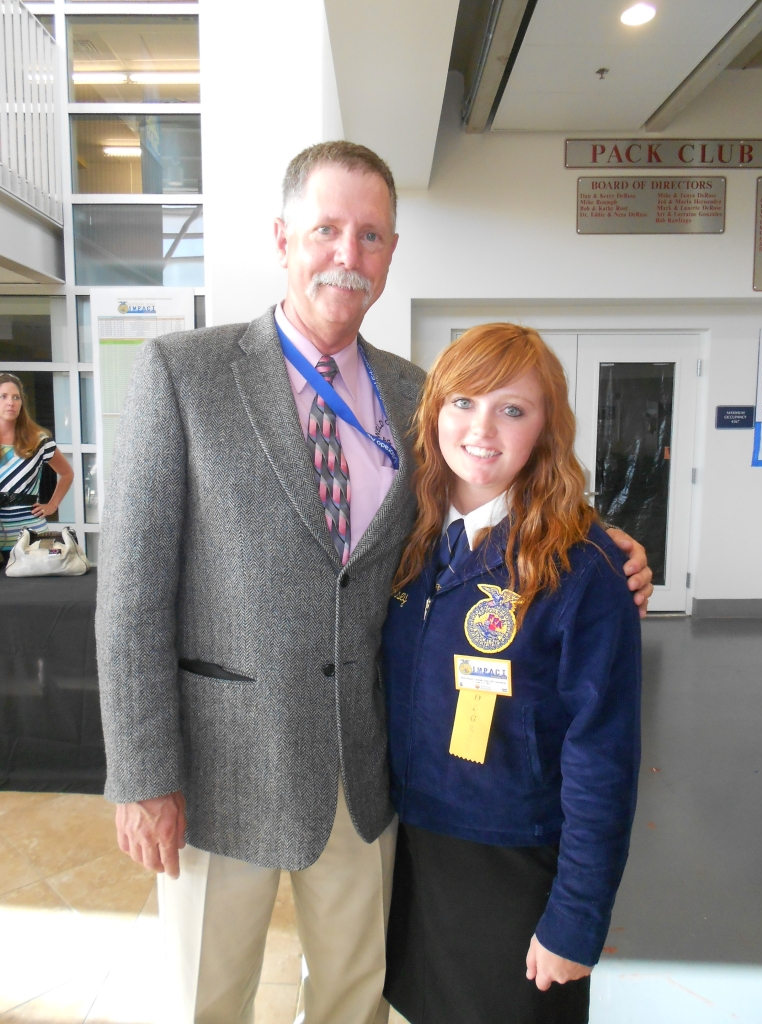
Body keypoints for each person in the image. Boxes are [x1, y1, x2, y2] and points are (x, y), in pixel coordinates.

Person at [95, 142, 652, 1024]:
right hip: (219, 773)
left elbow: (488, 495)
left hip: (368, 779)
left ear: (392, 253)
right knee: (207, 1001)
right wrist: (140, 772)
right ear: (283, 238)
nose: (347, 256)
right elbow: (129, 597)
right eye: (327, 230)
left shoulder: (420, 396)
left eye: (371, 236)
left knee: (353, 1001)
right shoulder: (183, 375)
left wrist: (596, 540)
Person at [381, 323, 642, 1024]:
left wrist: (576, 919)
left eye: (513, 409)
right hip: (416, 848)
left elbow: (603, 757)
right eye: (463, 402)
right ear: (434, 411)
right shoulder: (409, 538)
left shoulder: (581, 568)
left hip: (516, 864)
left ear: (546, 428)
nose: (482, 429)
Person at [0, 372, 74, 562]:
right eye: (3, 397)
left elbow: (66, 473)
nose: (11, 402)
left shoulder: (39, 441)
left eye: (16, 397)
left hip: (31, 537)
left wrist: (52, 505)